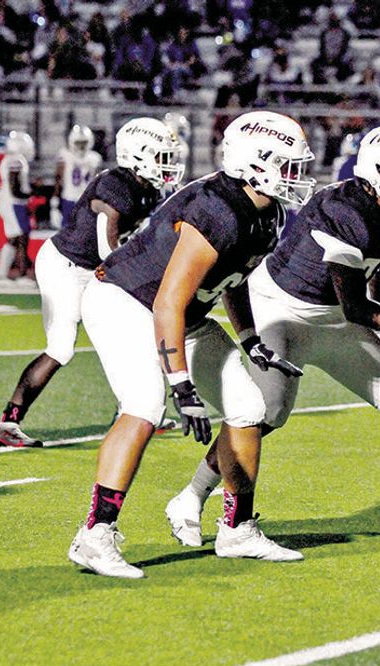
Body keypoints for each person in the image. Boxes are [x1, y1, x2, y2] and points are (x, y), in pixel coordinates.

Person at [168, 124, 380, 546]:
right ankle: (190, 498)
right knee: (266, 412)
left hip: (332, 321)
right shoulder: (343, 211)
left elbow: (378, 275)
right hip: (282, 312)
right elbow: (357, 307)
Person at [68, 111, 314, 579]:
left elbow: (233, 277)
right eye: (287, 164)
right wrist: (182, 385)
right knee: (144, 405)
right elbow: (167, 303)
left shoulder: (269, 211)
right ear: (255, 162)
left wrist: (249, 339)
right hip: (126, 300)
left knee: (246, 407)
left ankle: (237, 530)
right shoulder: (217, 210)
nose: (295, 176)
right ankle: (95, 535)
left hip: (181, 312)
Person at [0, 118, 181, 449]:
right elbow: (108, 247)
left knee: (137, 334)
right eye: (161, 156)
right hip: (66, 265)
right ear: (138, 155)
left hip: (96, 269)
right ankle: (7, 423)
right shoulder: (115, 185)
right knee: (61, 347)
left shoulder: (149, 189)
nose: (169, 165)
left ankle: (134, 408)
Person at [0, 130, 34, 286]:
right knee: (22, 238)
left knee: (13, 239)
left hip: (10, 202)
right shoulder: (16, 160)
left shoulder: (11, 159)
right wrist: (32, 193)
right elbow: (15, 188)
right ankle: (22, 275)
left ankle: (1, 276)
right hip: (13, 203)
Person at [55, 125, 103, 227]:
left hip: (87, 200)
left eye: (84, 143)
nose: (81, 146)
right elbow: (59, 178)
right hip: (69, 198)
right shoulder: (65, 155)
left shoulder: (95, 158)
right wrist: (55, 201)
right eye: (78, 143)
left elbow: (98, 181)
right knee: (66, 232)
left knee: (86, 231)